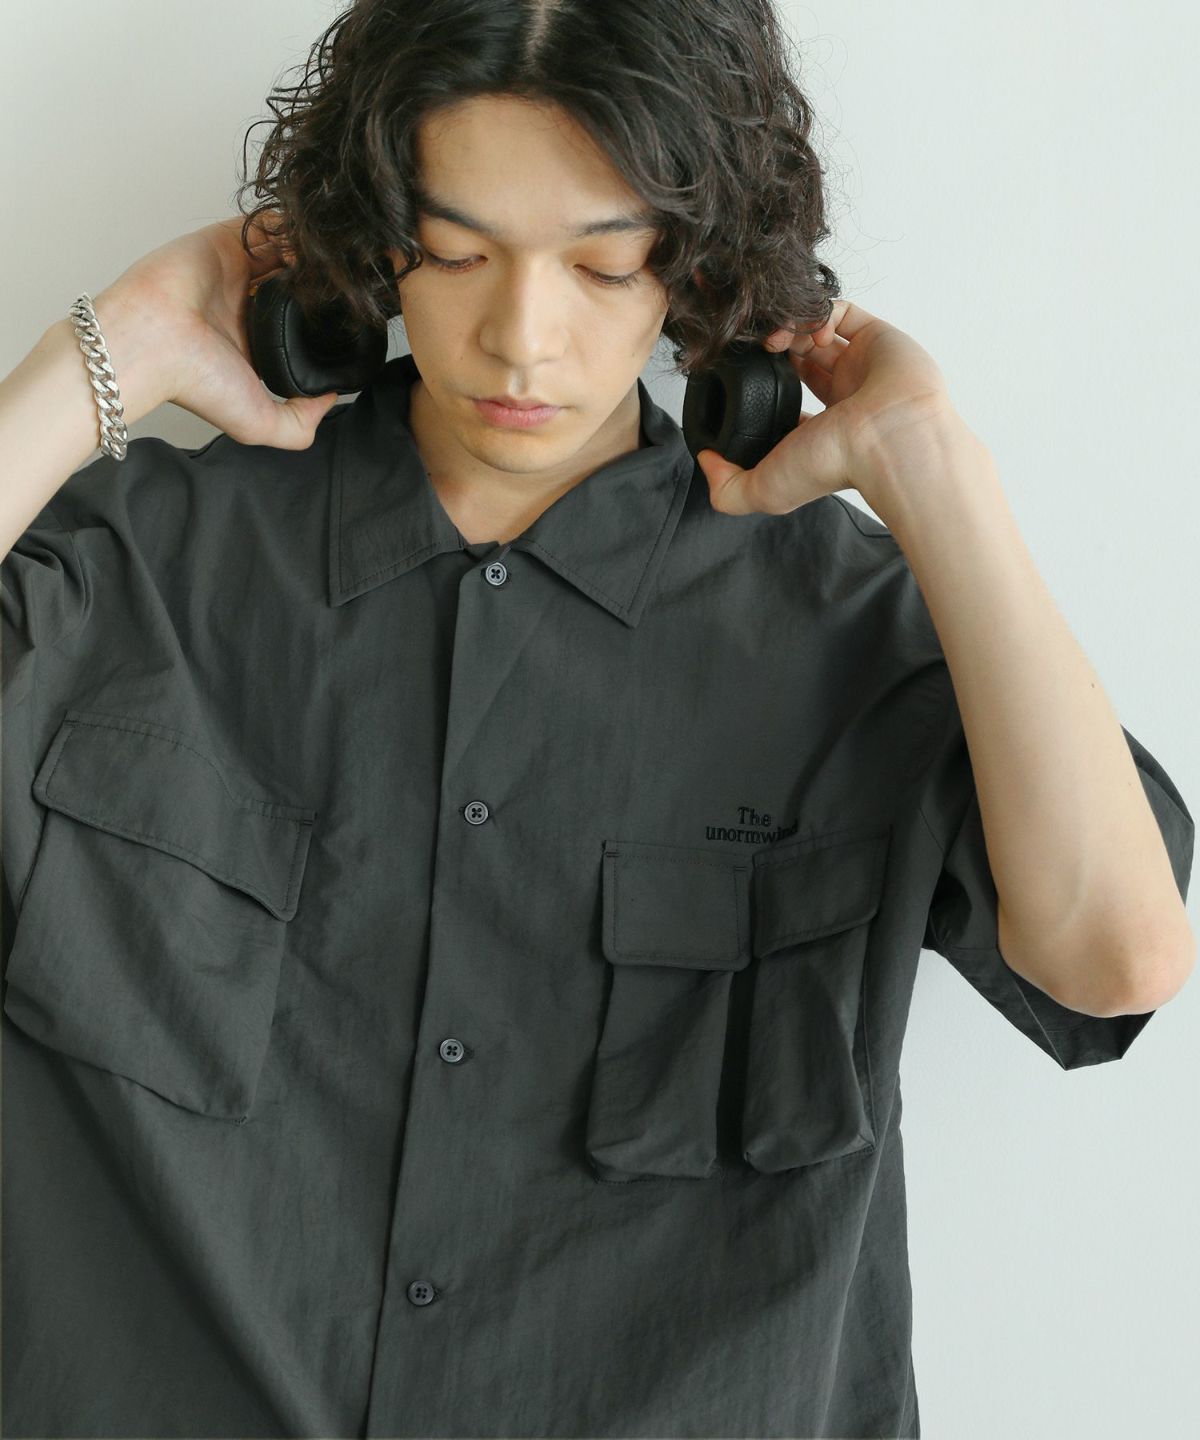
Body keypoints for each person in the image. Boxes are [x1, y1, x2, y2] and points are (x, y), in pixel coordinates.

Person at [1, 2, 1193, 1437]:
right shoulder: (139, 572)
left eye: (603, 262)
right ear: (373, 237)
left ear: (697, 266)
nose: (521, 337)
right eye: (456, 252)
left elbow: (1116, 960)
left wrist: (932, 464)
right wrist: (104, 353)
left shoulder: (849, 631)